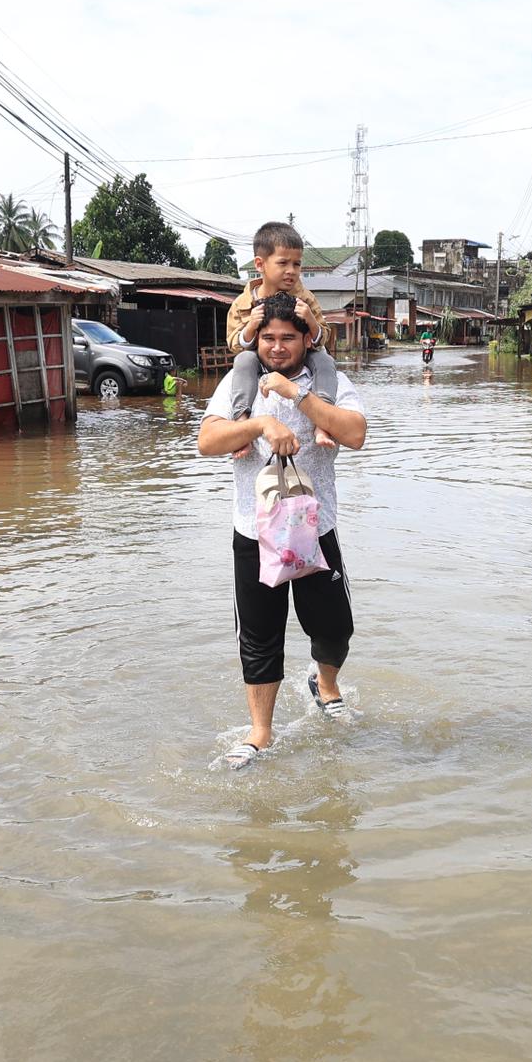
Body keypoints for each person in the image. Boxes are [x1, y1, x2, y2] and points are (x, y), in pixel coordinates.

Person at [196, 295, 369, 769]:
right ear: (257, 339)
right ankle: (260, 733)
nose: (276, 347)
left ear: (308, 338)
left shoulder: (328, 382)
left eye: (287, 338)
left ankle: (325, 684)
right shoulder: (240, 381)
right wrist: (261, 423)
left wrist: (298, 399)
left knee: (336, 631)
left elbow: (355, 434)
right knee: (259, 638)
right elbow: (207, 441)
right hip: (255, 534)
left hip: (316, 531)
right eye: (268, 338)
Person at [220, 223, 340, 442]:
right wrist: (250, 328)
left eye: (297, 264)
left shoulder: (306, 298)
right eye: (283, 263)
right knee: (244, 359)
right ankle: (241, 423)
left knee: (324, 360)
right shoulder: (243, 303)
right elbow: (233, 343)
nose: (291, 271)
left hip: (299, 360)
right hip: (260, 359)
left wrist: (311, 322)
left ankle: (323, 421)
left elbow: (324, 338)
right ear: (260, 264)